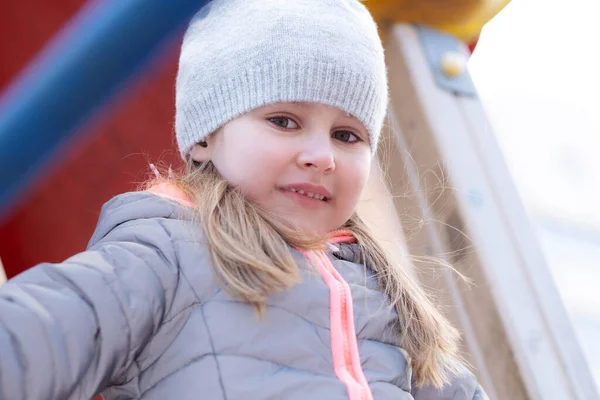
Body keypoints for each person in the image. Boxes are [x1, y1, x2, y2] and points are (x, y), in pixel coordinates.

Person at [0, 0, 489, 399]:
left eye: (347, 135)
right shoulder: (166, 253)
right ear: (206, 135)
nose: (322, 157)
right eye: (284, 121)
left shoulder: (381, 294)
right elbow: (40, 331)